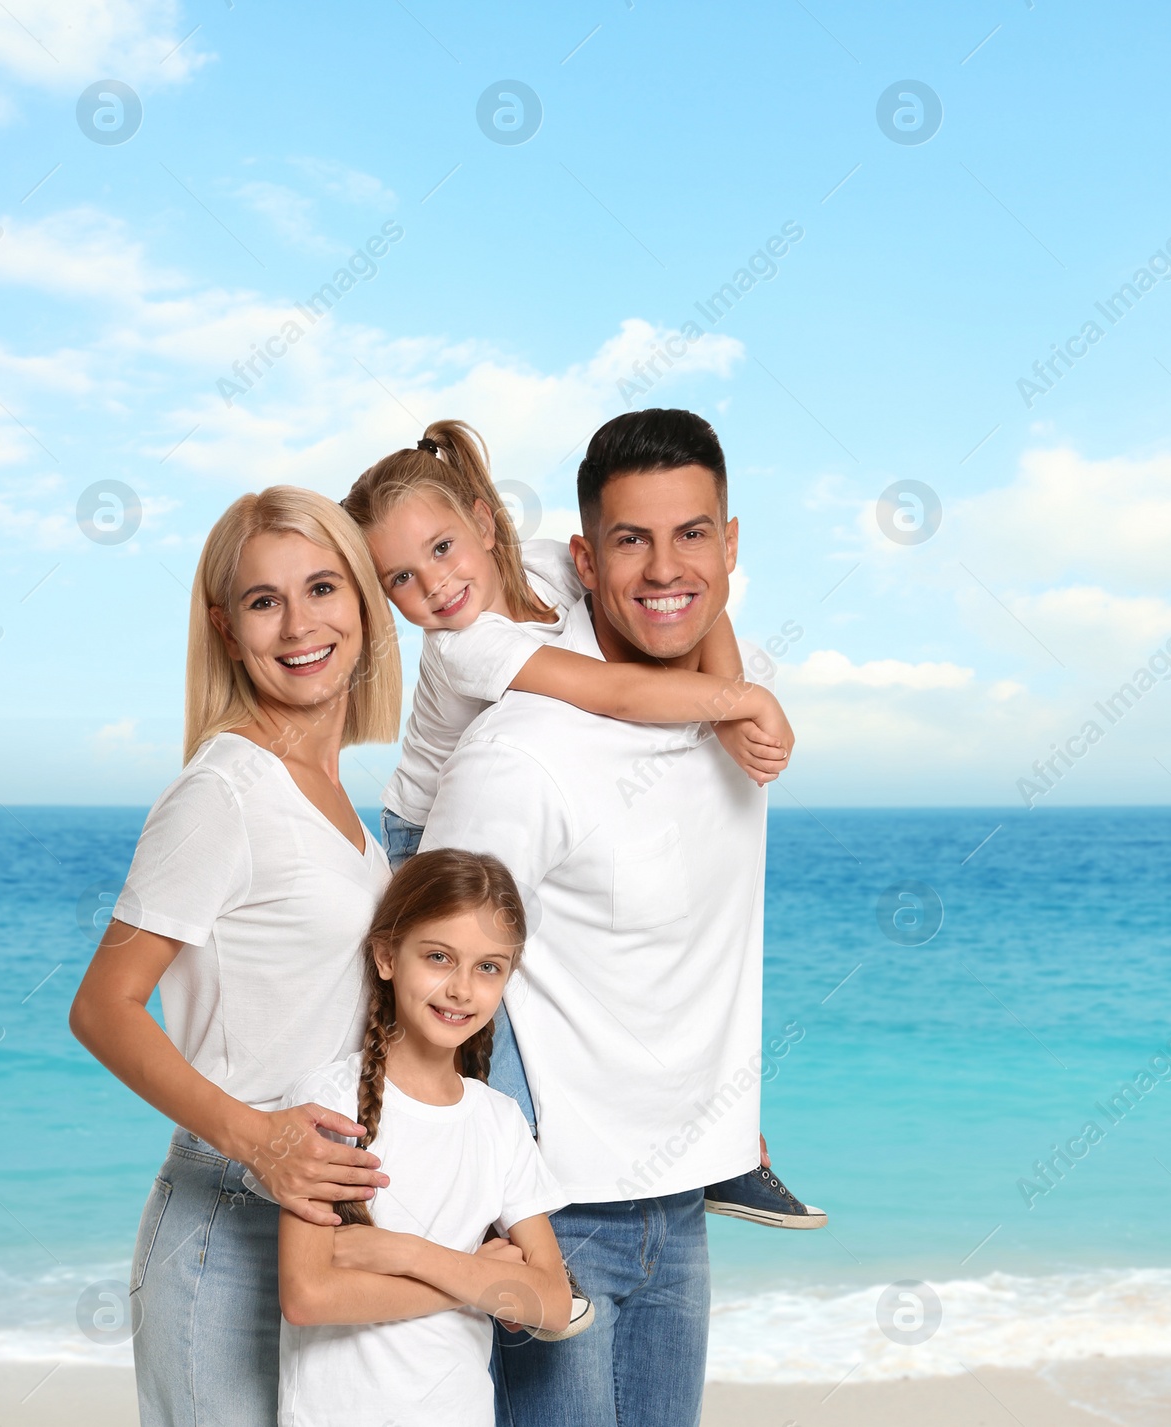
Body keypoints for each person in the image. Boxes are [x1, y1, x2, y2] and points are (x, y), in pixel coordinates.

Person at [342, 421, 824, 1235]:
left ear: (485, 525)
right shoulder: (467, 645)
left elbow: (695, 604)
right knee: (504, 1048)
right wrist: (737, 703)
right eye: (401, 577)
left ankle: (722, 1149)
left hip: (507, 809)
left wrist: (730, 690)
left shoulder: (554, 564)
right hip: (423, 834)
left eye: (444, 548)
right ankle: (508, 1212)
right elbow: (614, 693)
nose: (435, 585)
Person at [422, 408, 805, 1426]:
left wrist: (721, 1110)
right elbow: (426, 983)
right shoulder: (525, 750)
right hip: (552, 1212)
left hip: (679, 1199)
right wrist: (480, 1197)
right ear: (585, 560)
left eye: (693, 534)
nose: (664, 568)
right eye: (631, 539)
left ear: (731, 546)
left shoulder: (741, 687)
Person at [69, 487, 403, 1427]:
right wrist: (259, 1141)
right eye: (265, 601)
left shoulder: (342, 804)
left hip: (319, 1230)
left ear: (365, 606)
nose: (300, 624)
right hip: (225, 1225)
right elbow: (101, 1006)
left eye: (323, 587)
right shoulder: (224, 791)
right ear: (226, 627)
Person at [277, 848, 574, 1427]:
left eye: (489, 967)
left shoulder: (500, 1120)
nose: (462, 989)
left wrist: (406, 1254)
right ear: (387, 956)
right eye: (439, 957)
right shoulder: (329, 1103)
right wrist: (479, 1280)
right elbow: (309, 1297)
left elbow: (554, 1305)